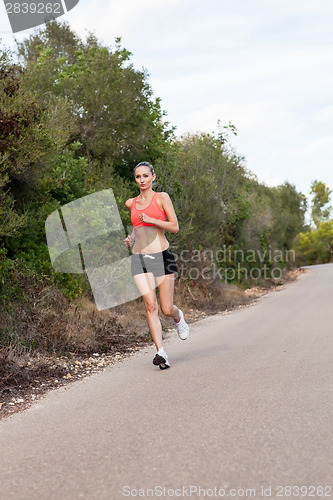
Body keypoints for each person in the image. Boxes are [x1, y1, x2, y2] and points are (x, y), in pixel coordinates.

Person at [124, 161, 189, 370]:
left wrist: (152, 219)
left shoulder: (162, 198)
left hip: (162, 256)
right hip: (139, 259)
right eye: (138, 177)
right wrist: (131, 237)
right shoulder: (130, 203)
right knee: (150, 306)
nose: (141, 180)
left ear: (153, 177)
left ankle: (179, 318)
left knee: (166, 308)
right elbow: (138, 226)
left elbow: (175, 226)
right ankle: (161, 352)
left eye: (145, 176)